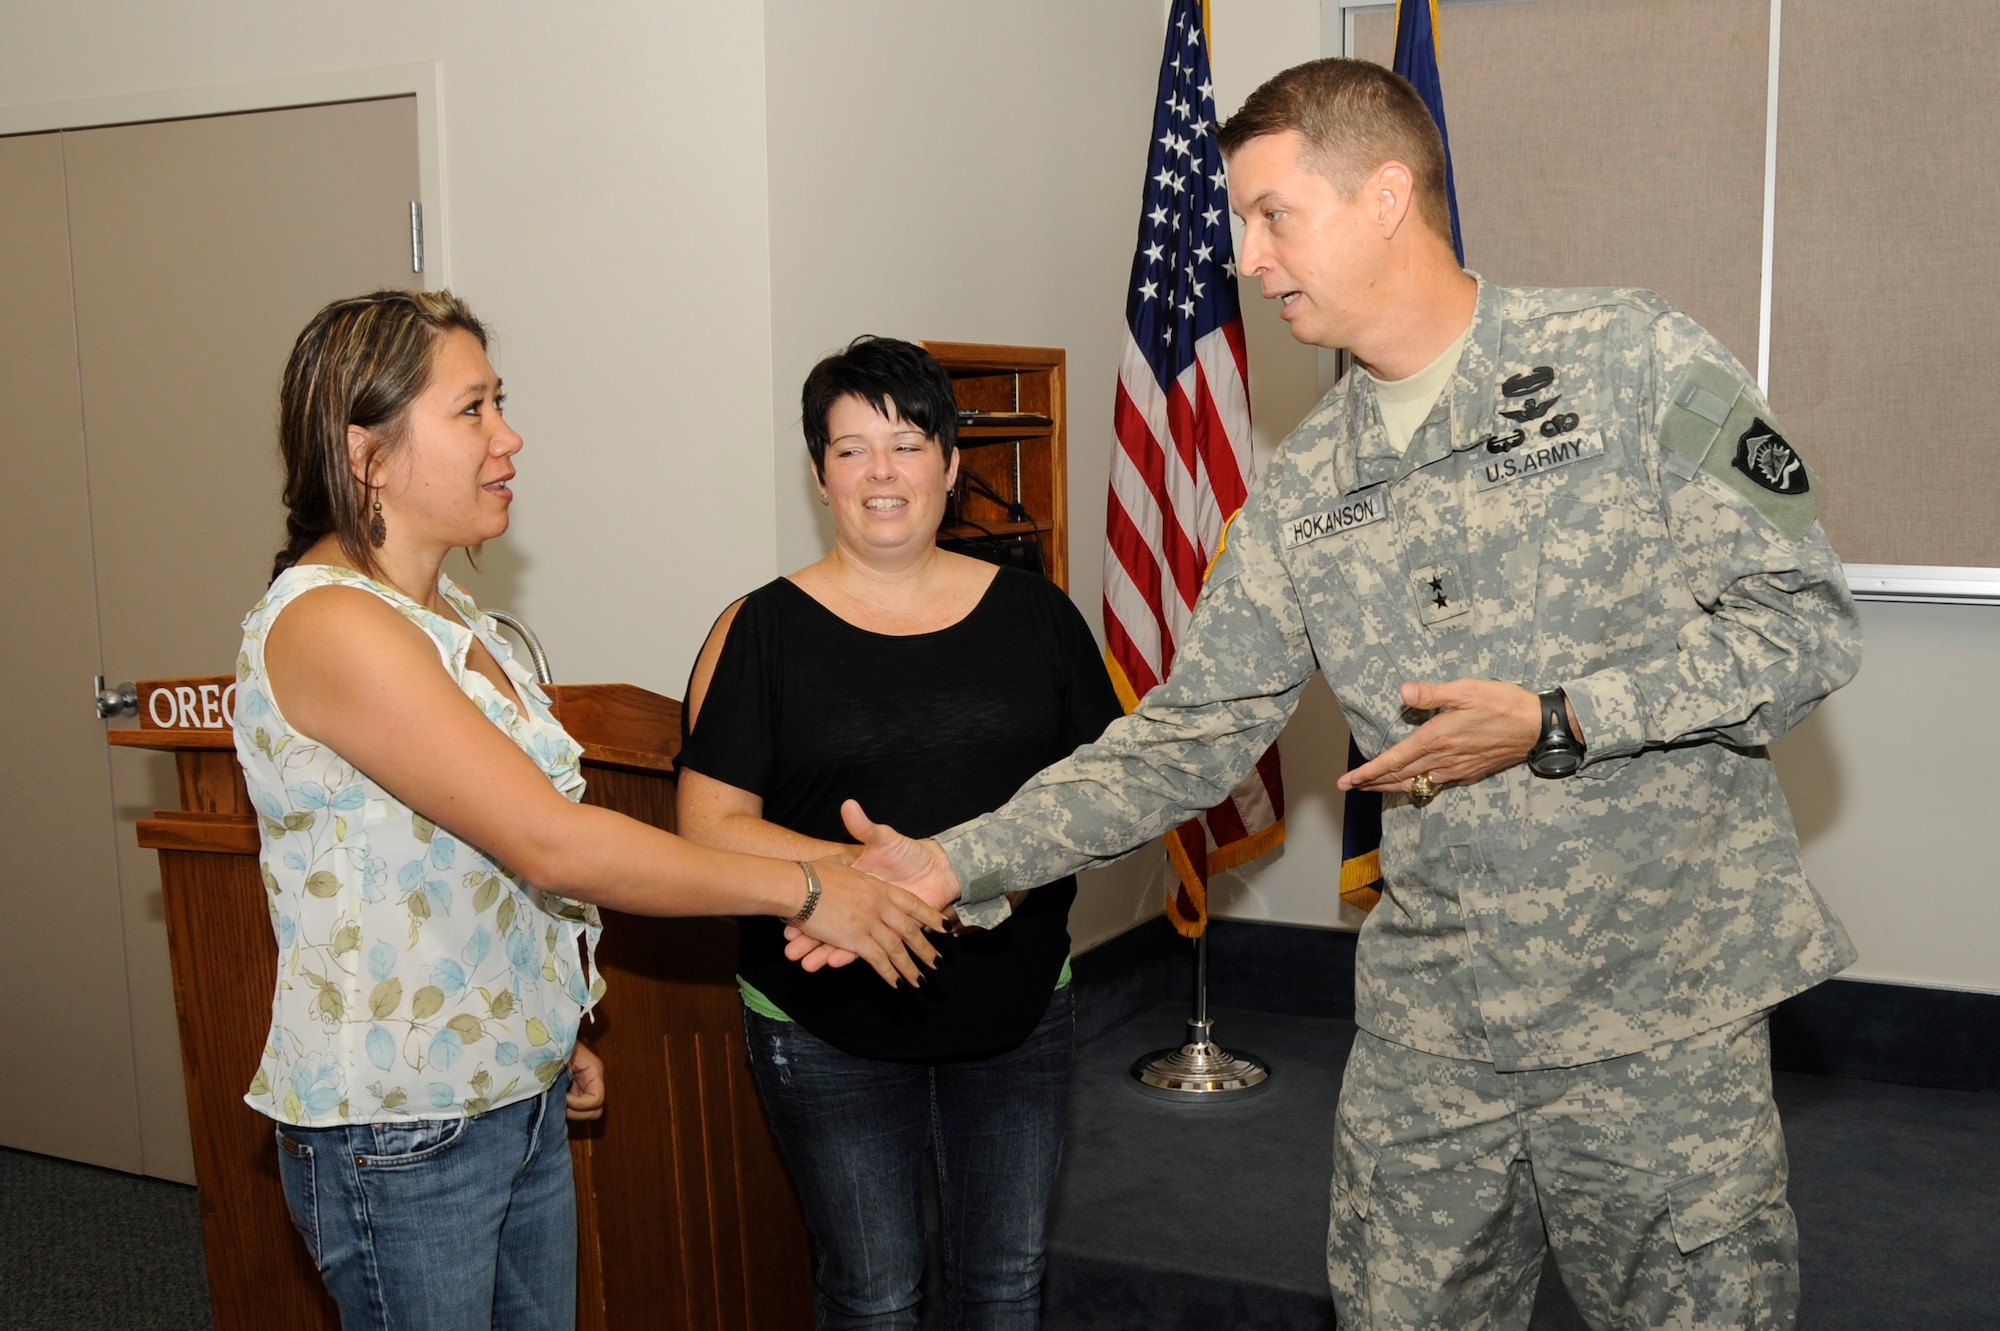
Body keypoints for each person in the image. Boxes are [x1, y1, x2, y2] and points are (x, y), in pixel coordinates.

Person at [822, 60, 1862, 1331]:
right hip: (1437, 1029)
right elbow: (1187, 730)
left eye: (1272, 216)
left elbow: (1800, 622)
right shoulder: (1309, 482)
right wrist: (950, 861)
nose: (1247, 261)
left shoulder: (1628, 356)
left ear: (1383, 196)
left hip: (1657, 1018)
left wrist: (1558, 715)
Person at [236, 291, 943, 1331]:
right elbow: (551, 840)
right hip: (401, 1123)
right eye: (471, 409)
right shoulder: (332, 620)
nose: (508, 436)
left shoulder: (460, 620)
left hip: (509, 1094)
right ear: (369, 452)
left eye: (499, 402)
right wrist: (809, 883)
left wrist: (550, 1021)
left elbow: (482, 867)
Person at [674, 335, 1122, 1329]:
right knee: (874, 1293)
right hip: (823, 1015)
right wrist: (876, 871)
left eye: (908, 443)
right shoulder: (757, 630)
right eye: (849, 449)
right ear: (817, 473)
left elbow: (1107, 798)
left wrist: (958, 866)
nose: (881, 472)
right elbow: (706, 827)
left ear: (952, 465)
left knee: (1003, 1283)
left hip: (1014, 1007)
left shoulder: (1037, 618)